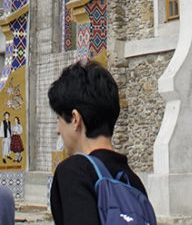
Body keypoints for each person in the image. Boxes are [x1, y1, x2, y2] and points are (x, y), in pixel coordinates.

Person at [48, 60, 149, 225]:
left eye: (59, 119)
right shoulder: (133, 182)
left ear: (75, 119)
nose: (58, 130)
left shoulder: (74, 171)